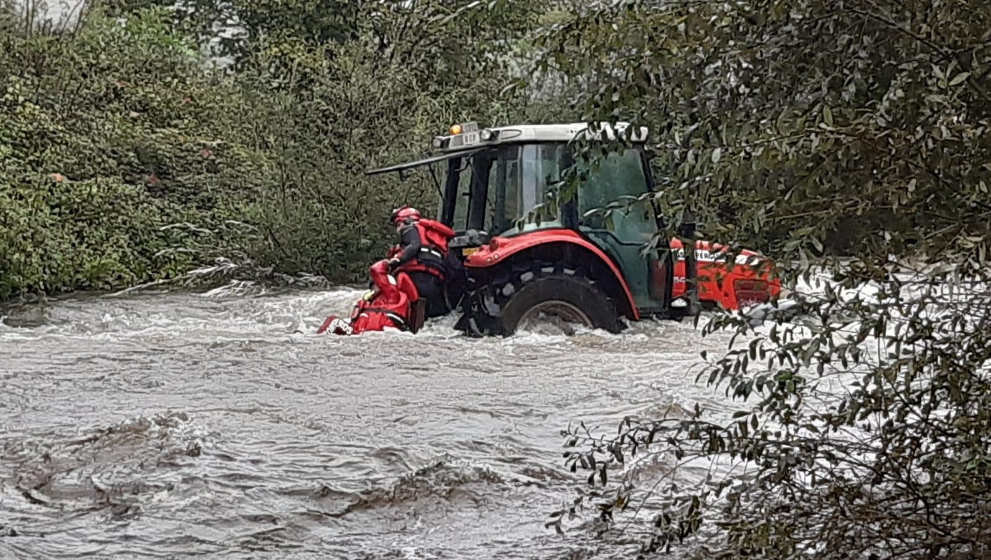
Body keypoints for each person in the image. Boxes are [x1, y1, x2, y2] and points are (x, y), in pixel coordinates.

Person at [388, 206, 455, 318]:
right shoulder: (436, 238)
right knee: (435, 318)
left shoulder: (410, 229)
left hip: (417, 278)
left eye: (398, 224)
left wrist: (396, 260)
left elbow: (414, 246)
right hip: (436, 282)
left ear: (407, 220)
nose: (398, 229)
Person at [317, 260, 414, 335]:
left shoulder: (392, 296)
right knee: (332, 320)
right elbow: (354, 321)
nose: (373, 288)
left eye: (376, 285)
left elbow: (376, 269)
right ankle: (315, 338)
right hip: (359, 334)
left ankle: (318, 340)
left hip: (373, 333)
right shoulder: (369, 302)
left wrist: (391, 262)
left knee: (334, 321)